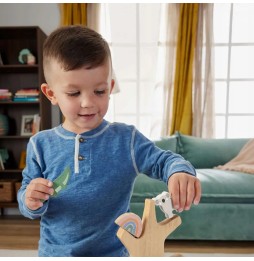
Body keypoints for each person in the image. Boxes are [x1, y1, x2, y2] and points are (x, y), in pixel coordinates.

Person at [18, 25, 201, 257]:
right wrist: (30, 199)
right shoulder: (39, 144)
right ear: (51, 93)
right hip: (55, 254)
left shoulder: (127, 140)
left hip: (114, 253)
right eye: (74, 93)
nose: (88, 102)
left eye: (100, 91)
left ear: (110, 87)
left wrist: (179, 171)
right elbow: (27, 201)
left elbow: (164, 160)